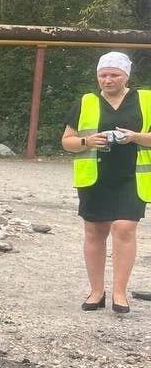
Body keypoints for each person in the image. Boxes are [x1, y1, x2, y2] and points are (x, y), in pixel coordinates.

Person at [61, 51, 151, 314]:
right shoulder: (86, 102)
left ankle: (119, 293)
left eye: (114, 75)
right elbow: (67, 141)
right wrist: (86, 142)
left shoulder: (145, 100)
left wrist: (135, 137)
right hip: (95, 177)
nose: (108, 80)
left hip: (131, 177)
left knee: (124, 228)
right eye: (103, 75)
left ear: (126, 76)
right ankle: (96, 291)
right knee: (95, 232)